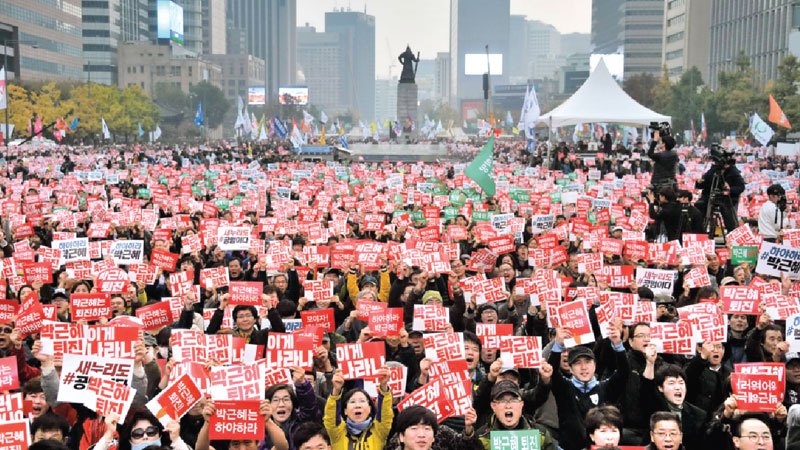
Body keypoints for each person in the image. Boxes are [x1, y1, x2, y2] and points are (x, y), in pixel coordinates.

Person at [547, 322, 629, 450]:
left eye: (588, 362)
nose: (584, 367)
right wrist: (558, 344)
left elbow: (624, 372)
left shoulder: (605, 388)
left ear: (595, 365)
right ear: (571, 368)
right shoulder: (564, 388)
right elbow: (551, 372)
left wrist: (618, 345)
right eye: (578, 363)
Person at [474, 380, 557, 450]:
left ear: (521, 404)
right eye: (502, 401)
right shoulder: (482, 437)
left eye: (513, 400)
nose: (508, 406)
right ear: (493, 406)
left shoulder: (540, 434)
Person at [324, 367, 393, 450]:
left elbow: (385, 414)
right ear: (345, 411)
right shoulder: (337, 433)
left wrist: (384, 386)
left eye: (362, 401)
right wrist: (336, 390)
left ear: (370, 408)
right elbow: (331, 417)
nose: (357, 405)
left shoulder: (379, 431)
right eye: (352, 402)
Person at [695, 151, 745, 234]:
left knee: (728, 214)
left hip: (726, 198)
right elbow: (704, 184)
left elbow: (741, 187)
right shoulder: (713, 170)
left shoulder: (733, 172)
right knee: (699, 205)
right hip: (709, 196)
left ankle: (731, 234)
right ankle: (700, 231)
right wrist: (699, 182)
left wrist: (730, 189)